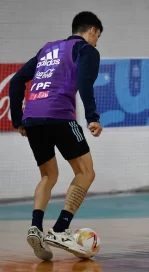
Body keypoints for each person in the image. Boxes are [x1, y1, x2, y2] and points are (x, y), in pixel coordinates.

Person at [9, 11, 103, 260]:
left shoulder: (47, 49)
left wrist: (18, 120)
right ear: (92, 31)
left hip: (33, 118)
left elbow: (17, 81)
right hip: (59, 115)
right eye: (98, 37)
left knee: (48, 175)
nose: (96, 42)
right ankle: (60, 229)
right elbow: (85, 82)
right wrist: (93, 116)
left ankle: (36, 227)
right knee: (86, 171)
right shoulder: (86, 50)